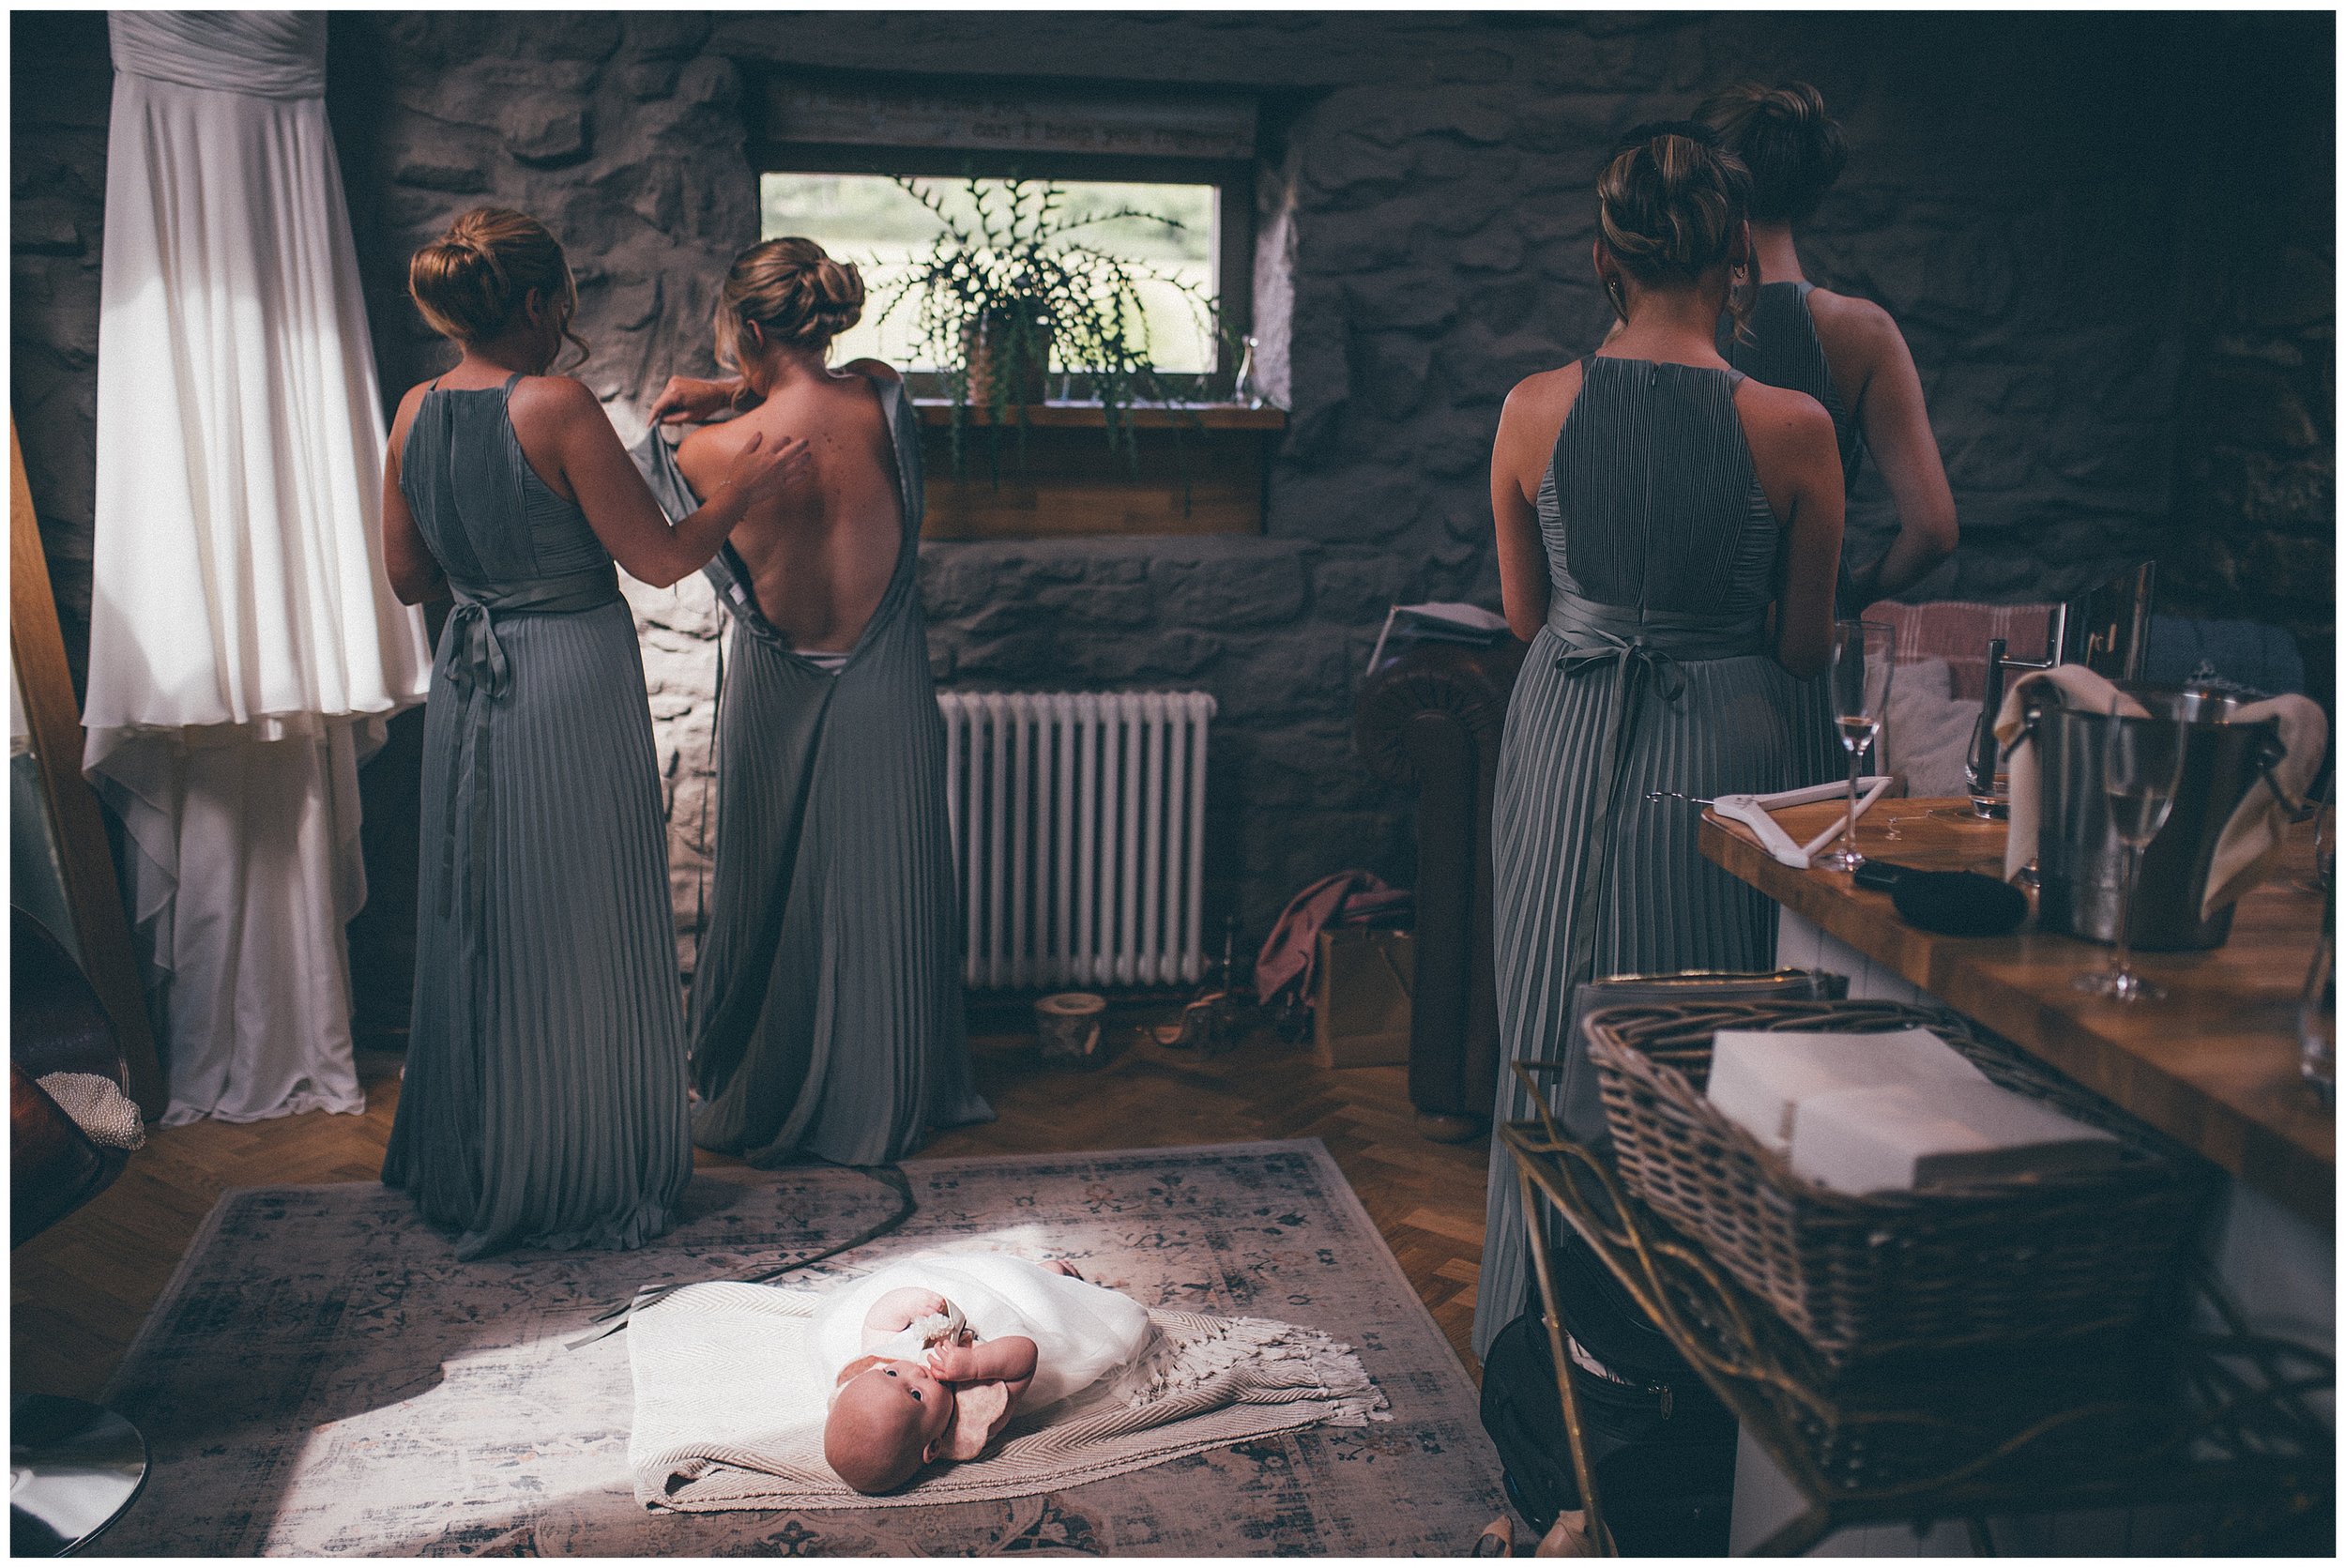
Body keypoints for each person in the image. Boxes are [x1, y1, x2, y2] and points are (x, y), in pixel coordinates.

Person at [1470, 133, 1846, 1360]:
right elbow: (1802, 646)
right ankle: (1691, 1364)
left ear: (1602, 260)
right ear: (1738, 264)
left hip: (1571, 732)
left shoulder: (1533, 410)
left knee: (1553, 1031)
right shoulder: (1795, 426)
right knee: (1705, 1056)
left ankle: (1543, 1352)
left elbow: (1527, 620)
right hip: (1727, 757)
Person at [377, 208, 808, 1258]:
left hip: (471, 673)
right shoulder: (557, 403)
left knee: (484, 908)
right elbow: (659, 561)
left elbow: (407, 580)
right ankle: (578, 1161)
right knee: (578, 910)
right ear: (536, 303)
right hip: (566, 673)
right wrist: (743, 484)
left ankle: (478, 1151)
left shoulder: (413, 408)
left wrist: (489, 580)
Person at [635, 238, 992, 1167]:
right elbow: (850, 378)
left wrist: (721, 397)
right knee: (890, 888)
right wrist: (742, 382)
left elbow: (677, 534)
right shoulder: (881, 399)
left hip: (776, 678)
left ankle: (763, 1080)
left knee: (763, 888)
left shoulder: (705, 447)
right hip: (886, 679)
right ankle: (892, 1089)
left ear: (749, 329)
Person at [1703, 82, 1959, 779]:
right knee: (1803, 866)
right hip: (1810, 661)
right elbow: (1934, 527)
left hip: (1696, 673)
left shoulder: (1680, 327)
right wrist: (1844, 590)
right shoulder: (1865, 333)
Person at [815, 1251, 1155, 1493]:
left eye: (890, 1374)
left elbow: (879, 1320)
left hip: (968, 1302)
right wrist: (975, 1365)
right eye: (916, 1395)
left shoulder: (880, 1360)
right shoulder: (973, 1418)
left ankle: (1033, 1273)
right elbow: (1026, 1357)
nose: (913, 1372)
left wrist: (907, 1303)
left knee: (979, 1275)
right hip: (1007, 1333)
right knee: (1040, 1305)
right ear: (933, 1447)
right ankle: (1051, 1280)